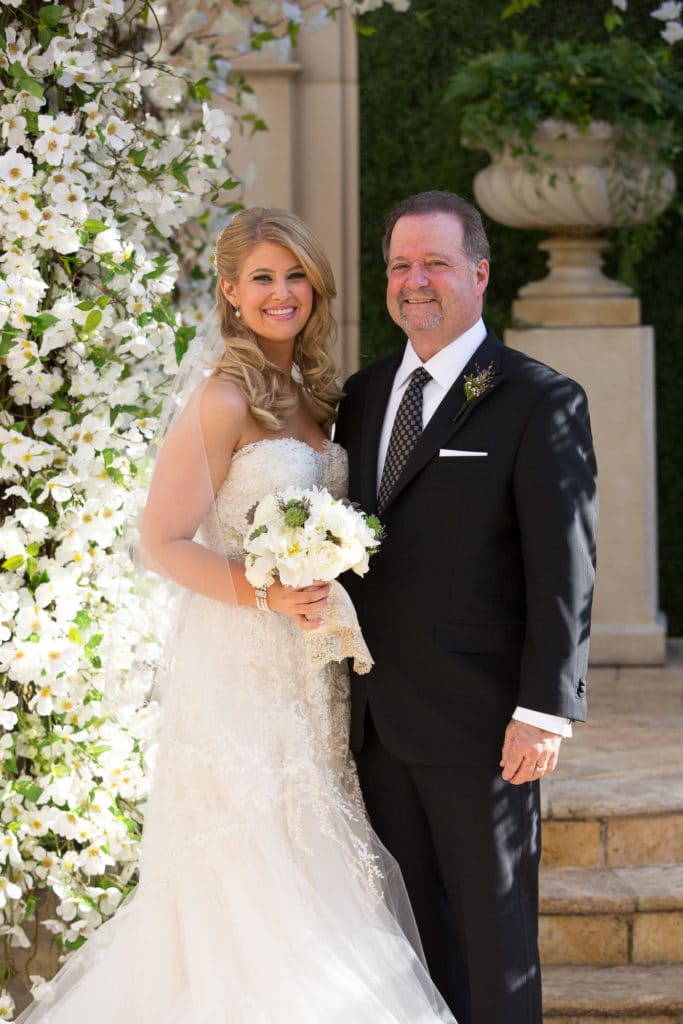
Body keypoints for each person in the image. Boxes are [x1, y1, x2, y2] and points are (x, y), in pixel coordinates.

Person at [16, 208, 456, 1023]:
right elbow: (162, 541)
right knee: (250, 890)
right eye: (262, 277)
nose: (282, 293)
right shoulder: (222, 398)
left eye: (296, 276)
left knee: (313, 873)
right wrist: (264, 594)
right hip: (238, 681)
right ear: (228, 291)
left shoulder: (323, 396)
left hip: (311, 676)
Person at [335, 190, 598, 1024]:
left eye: (435, 264)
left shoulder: (537, 398)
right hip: (375, 721)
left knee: (492, 948)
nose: (414, 281)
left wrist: (543, 713)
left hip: (484, 726)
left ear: (478, 275)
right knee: (410, 950)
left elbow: (566, 566)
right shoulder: (364, 393)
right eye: (400, 265)